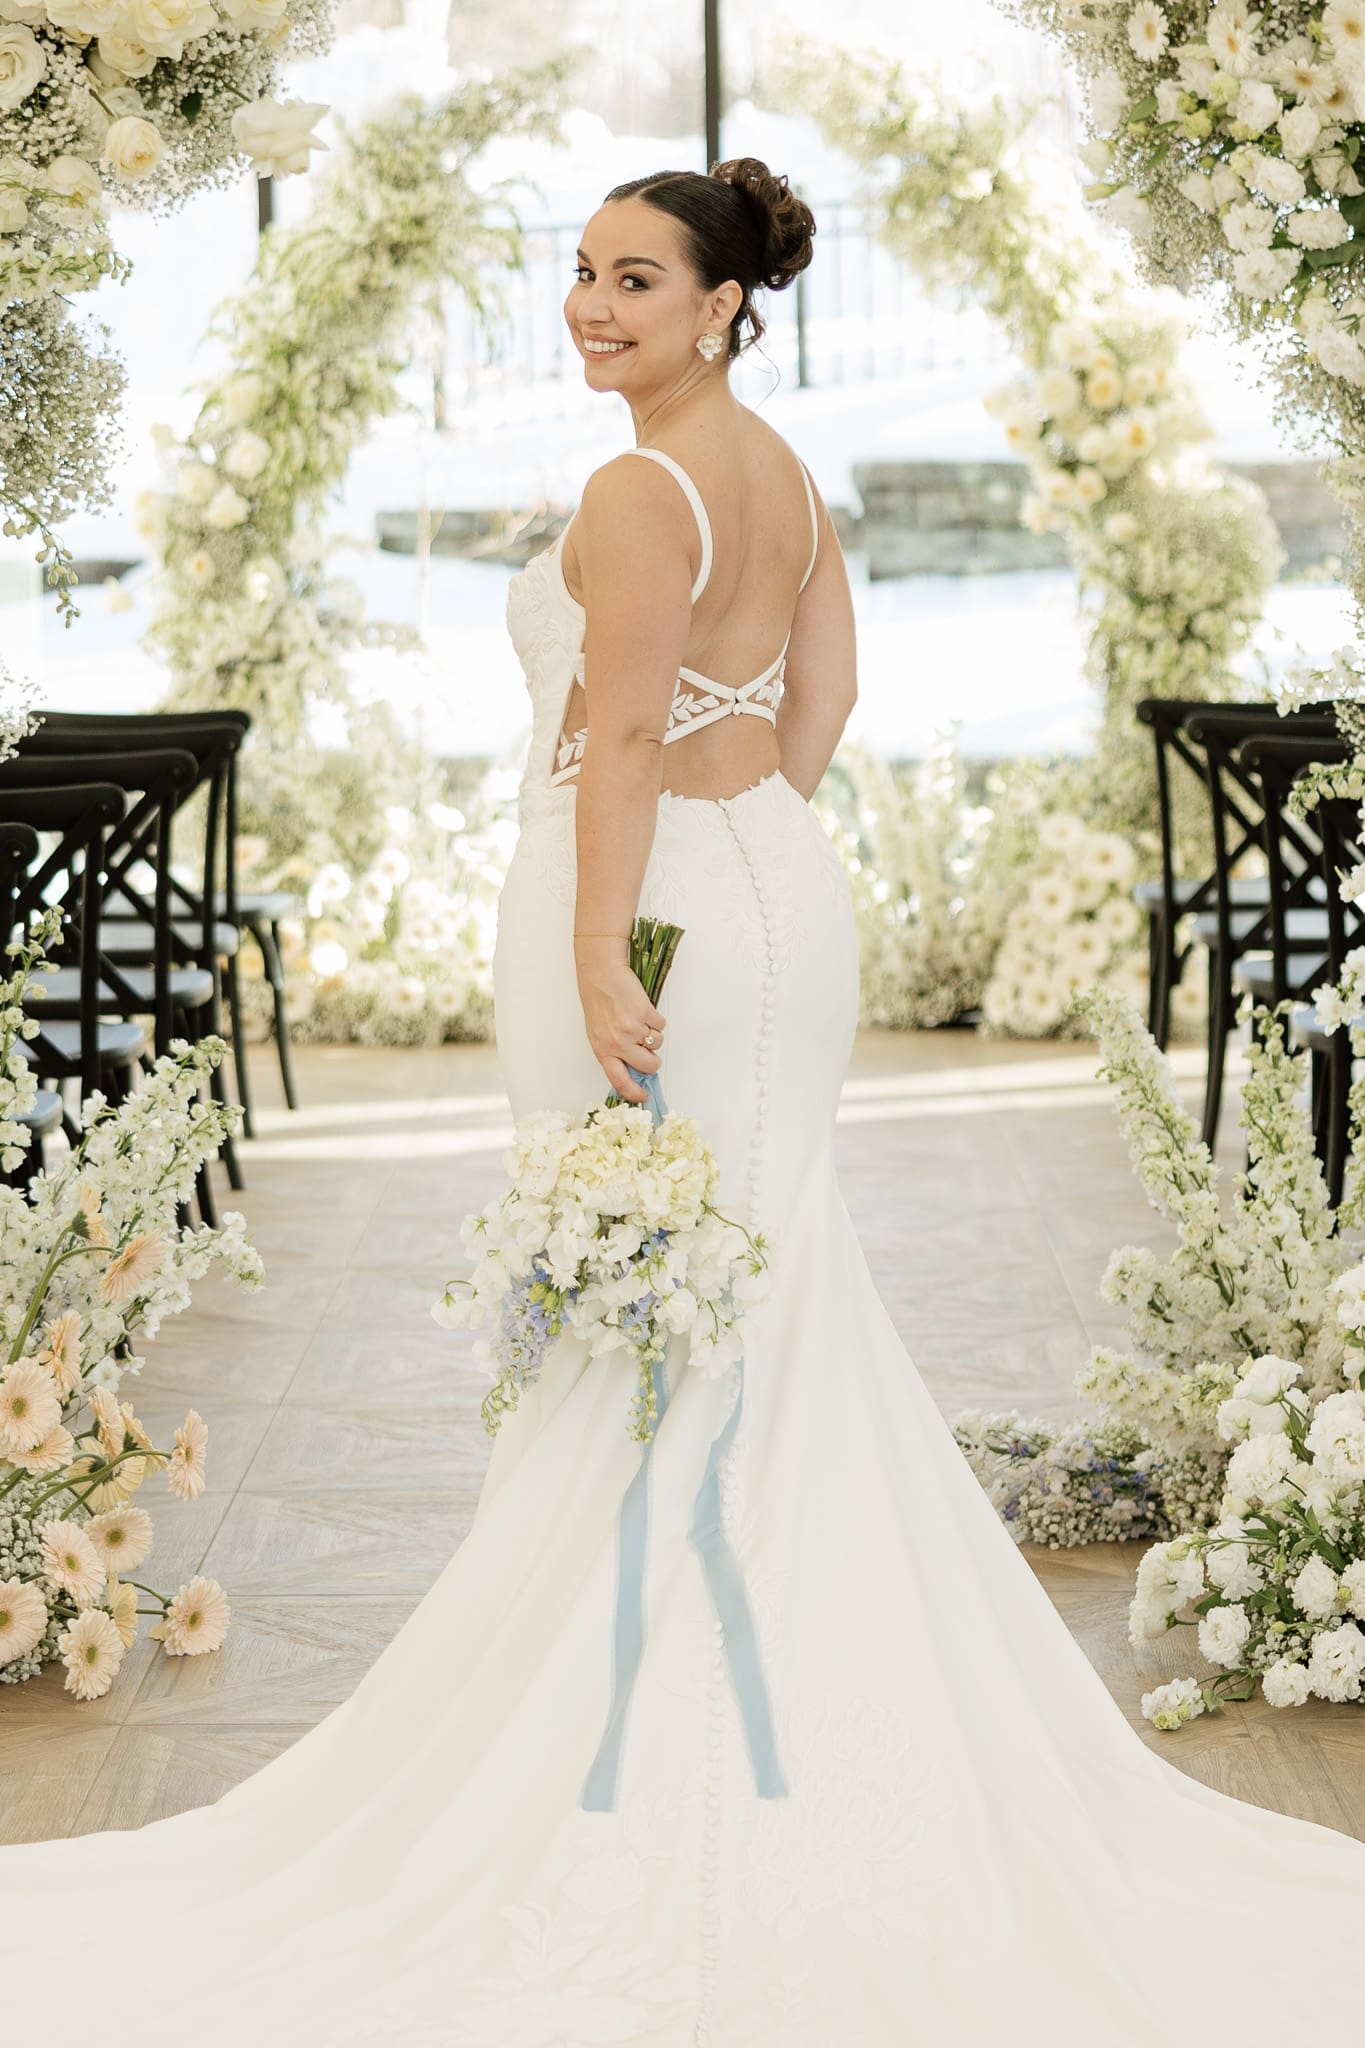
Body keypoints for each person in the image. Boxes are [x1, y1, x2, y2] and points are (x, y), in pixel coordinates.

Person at [5, 157, 1365, 2048]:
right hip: (766, 891)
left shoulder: (642, 488)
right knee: (751, 1291)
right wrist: (744, 845)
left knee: (644, 1307)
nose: (592, 306)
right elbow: (819, 700)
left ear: (726, 301)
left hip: (639, 906)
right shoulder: (782, 477)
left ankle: (634, 1740)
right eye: (579, 274)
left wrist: (594, 947)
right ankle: (762, 1712)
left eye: (636, 280)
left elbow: (623, 732)